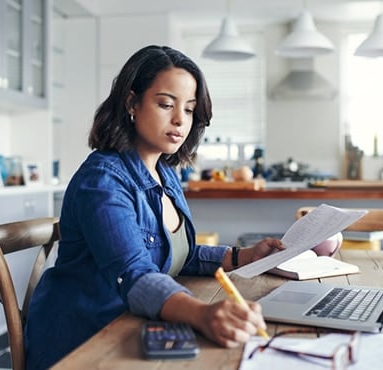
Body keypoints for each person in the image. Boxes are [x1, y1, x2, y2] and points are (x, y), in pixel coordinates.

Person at [24, 45, 284, 369]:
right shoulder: (103, 180)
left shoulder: (165, 172)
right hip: (85, 341)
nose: (179, 120)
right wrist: (202, 313)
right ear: (132, 102)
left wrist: (242, 257)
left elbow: (178, 253)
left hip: (132, 326)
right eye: (166, 104)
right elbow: (135, 274)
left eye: (189, 110)